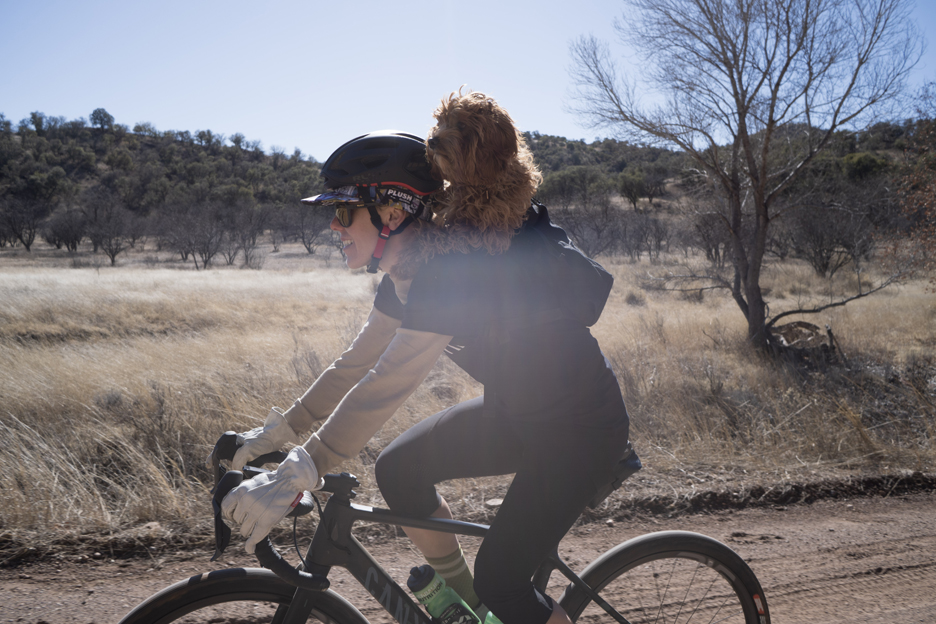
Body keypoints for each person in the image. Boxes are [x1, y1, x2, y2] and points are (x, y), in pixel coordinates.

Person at [221, 129, 630, 624]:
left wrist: (302, 469)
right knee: (398, 470)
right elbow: (356, 363)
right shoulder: (407, 275)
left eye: (345, 210)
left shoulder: (451, 274)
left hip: (580, 432)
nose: (333, 224)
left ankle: (494, 603)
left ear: (392, 213)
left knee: (502, 579)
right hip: (516, 414)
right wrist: (280, 432)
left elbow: (389, 381)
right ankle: (476, 615)